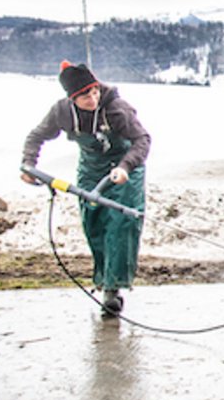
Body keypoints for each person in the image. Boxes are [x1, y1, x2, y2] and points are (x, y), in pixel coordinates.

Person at [21, 61, 151, 317]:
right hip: (91, 169)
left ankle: (113, 290)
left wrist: (125, 166)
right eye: (84, 97)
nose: (92, 99)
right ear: (72, 99)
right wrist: (28, 164)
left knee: (120, 224)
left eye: (94, 92)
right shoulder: (61, 112)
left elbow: (142, 140)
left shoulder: (116, 109)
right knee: (94, 223)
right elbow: (36, 136)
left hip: (125, 168)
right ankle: (102, 278)